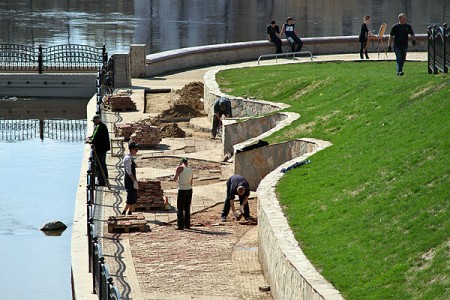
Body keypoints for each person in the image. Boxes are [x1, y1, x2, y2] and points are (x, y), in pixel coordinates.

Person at [88, 115, 110, 186]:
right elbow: (94, 135)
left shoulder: (100, 127)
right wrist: (91, 138)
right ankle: (104, 179)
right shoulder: (99, 126)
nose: (94, 122)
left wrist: (91, 141)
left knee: (100, 164)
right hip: (102, 149)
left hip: (101, 149)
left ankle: (102, 181)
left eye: (94, 121)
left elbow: (96, 138)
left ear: (98, 120)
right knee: (102, 164)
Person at [173, 158, 193, 230]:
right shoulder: (190, 170)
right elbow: (191, 181)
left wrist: (177, 173)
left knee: (180, 208)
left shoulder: (179, 168)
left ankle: (180, 225)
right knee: (187, 208)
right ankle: (187, 225)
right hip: (189, 189)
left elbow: (175, 178)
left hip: (182, 190)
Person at [122, 142, 139, 215]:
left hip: (132, 179)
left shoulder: (131, 157)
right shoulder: (128, 158)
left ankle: (130, 212)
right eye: (135, 149)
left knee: (134, 196)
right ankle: (124, 212)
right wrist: (134, 181)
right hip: (129, 180)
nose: (137, 151)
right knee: (130, 197)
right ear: (131, 149)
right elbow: (129, 171)